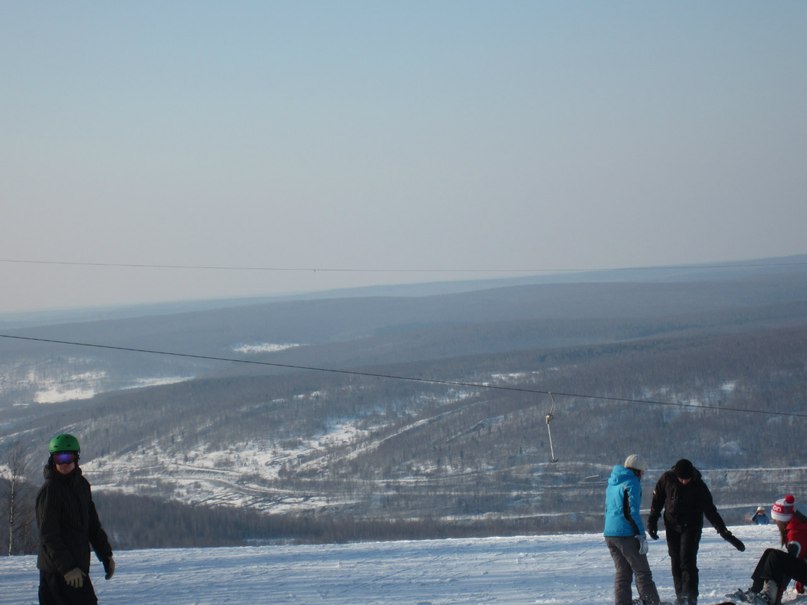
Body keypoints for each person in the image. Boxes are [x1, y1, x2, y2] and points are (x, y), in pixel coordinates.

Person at [647, 458, 745, 605]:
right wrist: (652, 521)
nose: (684, 482)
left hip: (692, 527)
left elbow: (711, 511)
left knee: (687, 560)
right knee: (675, 560)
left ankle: (690, 596)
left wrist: (723, 531)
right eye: (682, 479)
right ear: (676, 475)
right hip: (672, 526)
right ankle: (681, 596)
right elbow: (657, 501)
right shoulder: (667, 479)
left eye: (687, 479)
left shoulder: (699, 486)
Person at [36, 433, 115, 605]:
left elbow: (92, 525)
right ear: (53, 459)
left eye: (68, 457)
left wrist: (105, 554)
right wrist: (67, 568)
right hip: (56, 574)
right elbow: (48, 535)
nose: (64, 463)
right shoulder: (51, 490)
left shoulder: (81, 485)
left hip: (77, 569)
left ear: (76, 457)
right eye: (59, 458)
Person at [604, 454, 665, 605]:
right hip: (626, 533)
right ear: (638, 470)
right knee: (642, 571)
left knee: (623, 573)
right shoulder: (632, 483)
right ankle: (651, 602)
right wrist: (640, 534)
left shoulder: (612, 483)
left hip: (610, 533)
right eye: (643, 471)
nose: (643, 474)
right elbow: (632, 512)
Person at [730, 494, 807, 605]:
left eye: (776, 520)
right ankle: (755, 590)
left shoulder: (796, 535)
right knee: (770, 553)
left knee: (775, 557)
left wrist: (788, 591)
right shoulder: (798, 526)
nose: (776, 523)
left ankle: (769, 597)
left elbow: (790, 567)